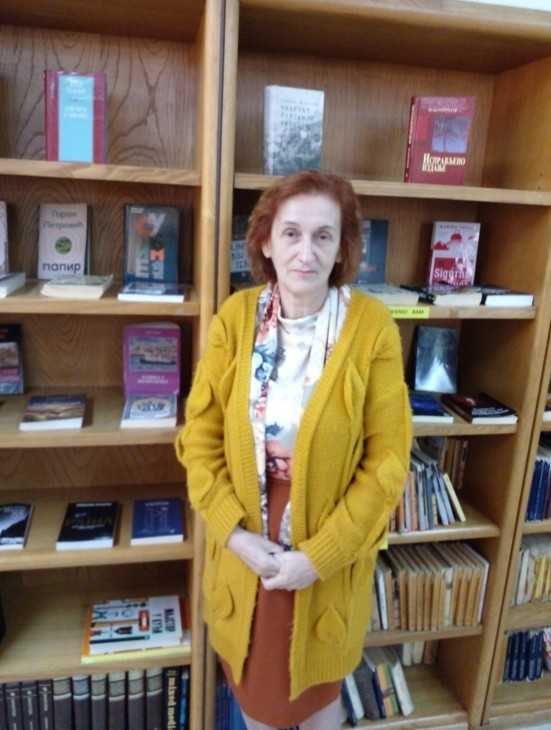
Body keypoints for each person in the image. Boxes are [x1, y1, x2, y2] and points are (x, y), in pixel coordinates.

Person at [175, 170, 412, 730]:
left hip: (327, 550)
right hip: (246, 551)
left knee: (320, 700)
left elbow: (387, 463)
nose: (306, 252)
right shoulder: (235, 319)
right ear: (265, 241)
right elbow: (199, 440)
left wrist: (318, 558)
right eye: (291, 233)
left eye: (323, 236)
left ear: (342, 248)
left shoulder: (372, 327)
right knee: (259, 704)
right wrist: (234, 535)